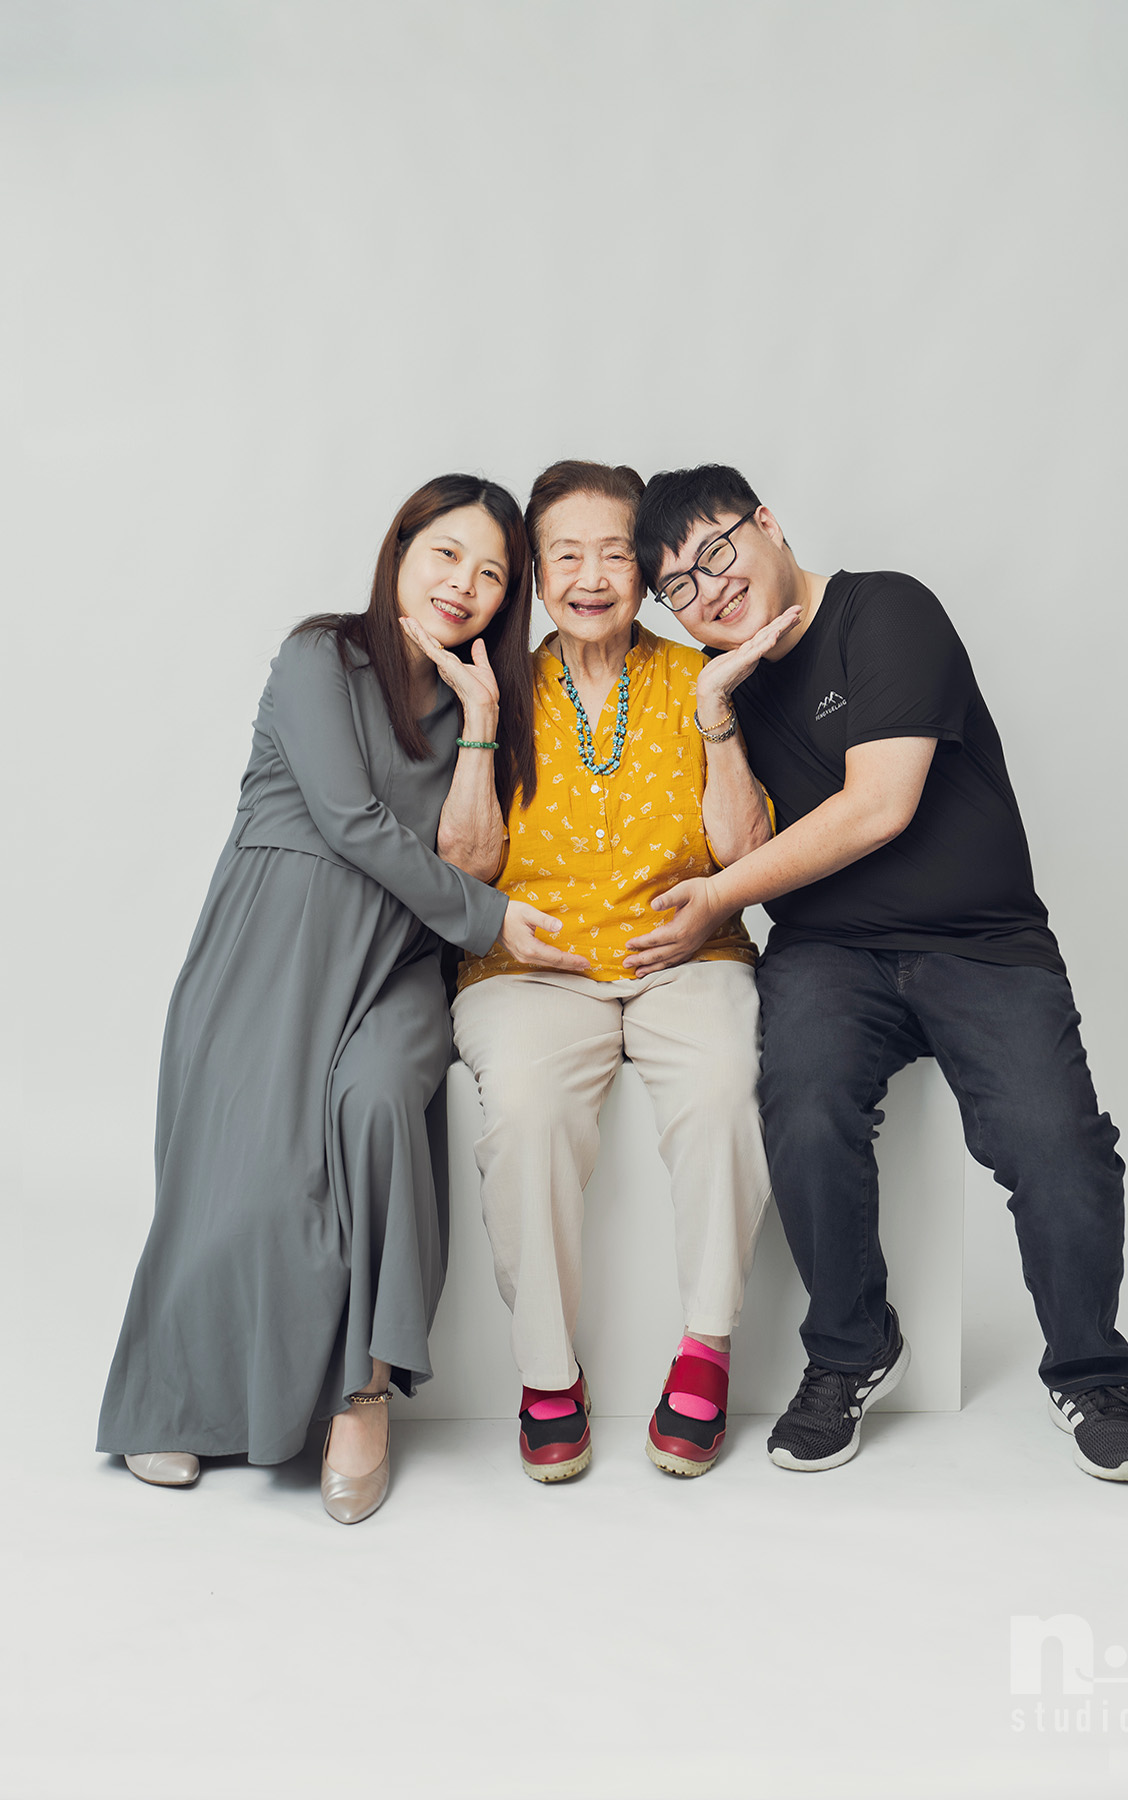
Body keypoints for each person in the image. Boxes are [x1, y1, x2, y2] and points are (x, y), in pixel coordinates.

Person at [630, 464, 1128, 1484]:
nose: (710, 589)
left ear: (767, 523)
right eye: (679, 586)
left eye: (718, 551)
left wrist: (718, 897)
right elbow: (741, 846)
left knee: (1055, 1143)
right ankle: (851, 1348)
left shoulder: (885, 610)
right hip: (828, 952)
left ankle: (1092, 1373)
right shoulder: (724, 677)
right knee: (802, 1107)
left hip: (981, 940)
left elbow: (880, 805)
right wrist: (715, 707)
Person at [97, 473, 587, 1523]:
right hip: (275, 943)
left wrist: (482, 719)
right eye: (447, 554)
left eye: (493, 575)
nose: (465, 585)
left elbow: (471, 855)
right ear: (400, 549)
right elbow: (351, 820)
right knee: (254, 1166)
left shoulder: (484, 702)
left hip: (402, 961)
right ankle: (177, 1393)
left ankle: (364, 1394)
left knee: (378, 1104)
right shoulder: (319, 657)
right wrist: (494, 921)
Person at [450, 459, 781, 1482]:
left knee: (726, 1082)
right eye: (566, 556)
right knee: (526, 1108)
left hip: (690, 951)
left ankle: (707, 1347)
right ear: (537, 575)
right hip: (529, 969)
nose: (591, 577)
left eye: (612, 554)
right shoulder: (500, 687)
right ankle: (548, 1373)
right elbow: (466, 866)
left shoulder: (696, 675)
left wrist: (717, 709)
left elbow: (745, 854)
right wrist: (476, 725)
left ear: (643, 570)